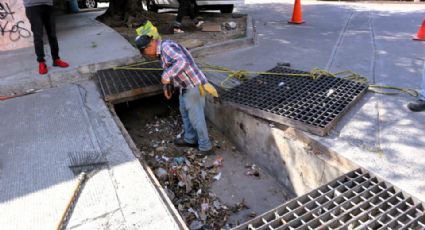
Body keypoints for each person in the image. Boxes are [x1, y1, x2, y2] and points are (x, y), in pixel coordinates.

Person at [135, 35, 214, 155]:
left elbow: (182, 61)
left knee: (196, 118)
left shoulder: (166, 48)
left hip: (193, 86)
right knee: (185, 114)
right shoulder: (161, 51)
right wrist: (168, 86)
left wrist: (166, 76)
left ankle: (205, 146)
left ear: (150, 46)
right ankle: (190, 139)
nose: (147, 56)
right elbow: (170, 67)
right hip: (184, 87)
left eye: (145, 53)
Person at [23, 0, 69, 75]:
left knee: (52, 34)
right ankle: (41, 62)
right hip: (32, 5)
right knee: (38, 36)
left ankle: (56, 59)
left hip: (48, 4)